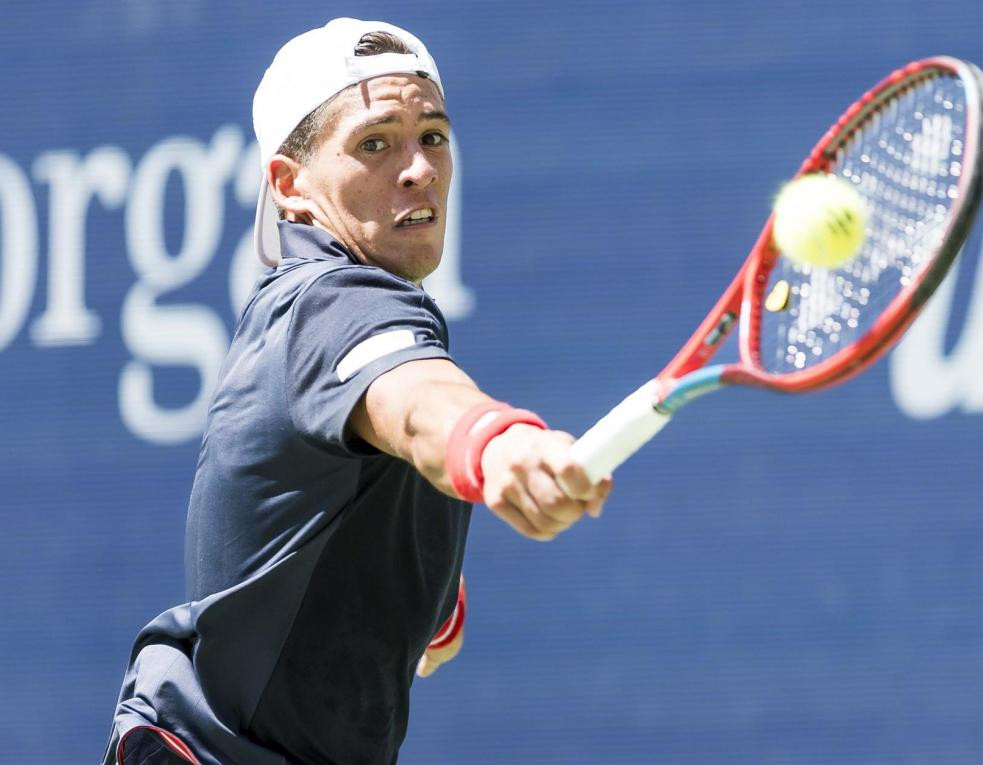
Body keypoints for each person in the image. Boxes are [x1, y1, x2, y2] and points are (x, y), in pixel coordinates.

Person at [103, 18, 611, 765]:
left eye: (432, 135)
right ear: (290, 186)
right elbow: (418, 404)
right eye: (375, 143)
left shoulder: (313, 311)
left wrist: (423, 604)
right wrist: (497, 443)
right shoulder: (330, 301)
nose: (419, 169)